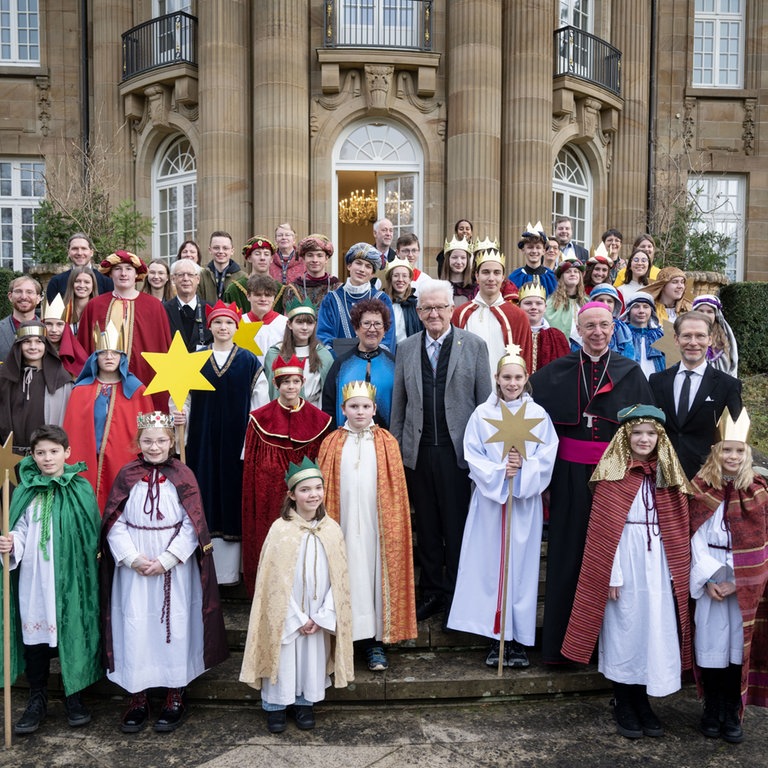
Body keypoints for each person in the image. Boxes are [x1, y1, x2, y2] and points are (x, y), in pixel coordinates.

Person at [529, 302, 653, 664]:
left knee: (611, 556)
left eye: (603, 325)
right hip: (568, 474)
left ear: (614, 329)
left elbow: (646, 432)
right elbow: (536, 425)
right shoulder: (554, 373)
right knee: (567, 554)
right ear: (578, 331)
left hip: (616, 475)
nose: (597, 332)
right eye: (589, 326)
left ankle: (609, 648)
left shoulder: (631, 372)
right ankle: (562, 649)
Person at [562, 405, 692, 739]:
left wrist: (677, 568)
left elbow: (678, 526)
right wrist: (612, 573)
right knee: (625, 629)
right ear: (625, 437)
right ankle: (623, 698)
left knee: (654, 629)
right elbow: (605, 529)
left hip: (659, 565)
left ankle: (644, 701)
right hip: (624, 563)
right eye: (637, 433)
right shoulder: (612, 476)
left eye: (650, 433)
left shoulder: (668, 475)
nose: (644, 439)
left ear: (659, 438)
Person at [100, 412, 228, 733]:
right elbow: (114, 523)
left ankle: (174, 693)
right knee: (136, 625)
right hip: (135, 569)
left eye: (160, 441)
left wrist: (168, 559)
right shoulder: (127, 475)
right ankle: (138, 695)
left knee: (174, 625)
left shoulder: (183, 475)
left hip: (175, 569)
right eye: (147, 441)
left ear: (172, 442)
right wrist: (132, 558)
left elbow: (192, 524)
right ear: (138, 443)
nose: (154, 447)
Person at [447, 345, 558, 667]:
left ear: (526, 379)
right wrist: (499, 472)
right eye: (506, 377)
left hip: (523, 502)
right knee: (490, 567)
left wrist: (524, 468)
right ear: (496, 378)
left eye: (518, 377)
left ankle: (518, 641)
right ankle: (495, 637)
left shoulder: (538, 416)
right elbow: (472, 454)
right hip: (490, 503)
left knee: (520, 569)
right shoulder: (482, 415)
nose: (512, 383)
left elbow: (548, 454)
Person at [391, 280, 492, 623]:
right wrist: (396, 455)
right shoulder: (405, 349)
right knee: (429, 527)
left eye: (440, 307)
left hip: (458, 454)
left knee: (457, 525)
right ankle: (432, 591)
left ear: (452, 309)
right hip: (418, 452)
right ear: (418, 312)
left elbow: (484, 405)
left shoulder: (474, 346)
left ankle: (457, 594)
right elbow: (399, 407)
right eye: (427, 308)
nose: (434, 314)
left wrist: (485, 455)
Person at [0, 425, 102, 735]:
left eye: (54, 452)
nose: (47, 458)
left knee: (72, 632)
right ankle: (37, 698)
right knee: (36, 638)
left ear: (67, 453)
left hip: (71, 579)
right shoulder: (26, 491)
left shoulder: (80, 488)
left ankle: (75, 695)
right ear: (32, 455)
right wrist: (11, 543)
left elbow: (91, 533)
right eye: (41, 453)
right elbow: (20, 529)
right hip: (35, 579)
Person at [239, 458, 354, 733]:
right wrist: (297, 617)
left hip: (318, 614)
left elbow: (339, 581)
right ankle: (276, 706)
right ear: (291, 494)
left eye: (317, 488)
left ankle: (304, 703)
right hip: (288, 615)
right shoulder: (280, 530)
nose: (313, 494)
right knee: (285, 655)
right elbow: (272, 583)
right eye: (304, 490)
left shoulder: (332, 529)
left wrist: (322, 615)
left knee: (311, 658)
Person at [319, 380, 417, 671]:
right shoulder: (332, 443)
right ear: (343, 409)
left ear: (374, 408)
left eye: (365, 406)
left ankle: (375, 642)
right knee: (347, 574)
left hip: (377, 527)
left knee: (374, 579)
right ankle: (343, 638)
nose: (360, 412)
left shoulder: (387, 442)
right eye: (353, 406)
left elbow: (397, 491)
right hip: (343, 524)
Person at [689, 408, 768, 744]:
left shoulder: (759, 490)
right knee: (710, 643)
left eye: (738, 450)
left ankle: (733, 709)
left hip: (743, 578)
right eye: (726, 449)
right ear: (715, 451)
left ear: (747, 453)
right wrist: (707, 579)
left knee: (738, 645)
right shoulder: (699, 486)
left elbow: (763, 540)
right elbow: (689, 534)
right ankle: (712, 707)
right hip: (708, 572)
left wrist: (738, 581)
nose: (732, 456)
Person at [181, 301, 261, 585]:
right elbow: (183, 399)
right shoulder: (196, 358)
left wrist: (249, 444)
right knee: (205, 495)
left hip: (235, 443)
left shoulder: (249, 361)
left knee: (232, 497)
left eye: (228, 323)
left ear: (236, 327)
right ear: (210, 327)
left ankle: (230, 573)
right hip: (202, 441)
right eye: (218, 323)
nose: (223, 327)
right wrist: (182, 421)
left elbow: (258, 405)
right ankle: (204, 566)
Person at [241, 355, 332, 594]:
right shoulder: (259, 419)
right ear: (276, 385)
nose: (291, 387)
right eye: (285, 382)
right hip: (267, 492)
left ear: (302, 383)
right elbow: (250, 463)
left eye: (295, 381)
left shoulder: (319, 420)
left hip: (306, 497)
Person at [63, 322, 154, 511]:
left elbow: (147, 431)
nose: (109, 357)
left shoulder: (137, 390)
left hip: (122, 460)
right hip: (87, 460)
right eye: (103, 353)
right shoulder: (80, 391)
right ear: (95, 358)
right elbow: (72, 431)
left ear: (122, 357)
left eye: (115, 353)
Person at [649, 311, 743, 480]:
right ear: (677, 339)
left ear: (710, 339)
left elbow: (735, 437)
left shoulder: (728, 385)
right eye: (687, 336)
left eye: (700, 336)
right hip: (662, 473)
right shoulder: (657, 381)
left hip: (705, 477)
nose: (693, 343)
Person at [76, 251, 172, 399]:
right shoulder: (95, 305)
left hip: (146, 379)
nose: (123, 273)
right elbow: (83, 347)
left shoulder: (153, 306)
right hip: (103, 383)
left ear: (136, 274)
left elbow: (163, 347)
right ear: (110, 274)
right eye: (118, 269)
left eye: (128, 269)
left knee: (144, 418)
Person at [452, 246, 532, 388]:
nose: (491, 278)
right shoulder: (460, 314)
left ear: (503, 277)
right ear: (476, 276)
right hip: (468, 391)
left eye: (496, 273)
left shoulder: (518, 316)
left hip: (506, 392)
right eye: (485, 272)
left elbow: (525, 358)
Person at [322, 298, 397, 429]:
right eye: (366, 323)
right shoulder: (341, 365)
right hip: (346, 443)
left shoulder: (394, 365)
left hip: (386, 443)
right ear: (356, 328)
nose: (372, 329)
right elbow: (329, 407)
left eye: (378, 324)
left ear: (385, 330)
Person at [0, 321, 73, 454]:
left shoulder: (61, 380)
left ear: (46, 345)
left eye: (39, 341)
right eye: (27, 341)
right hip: (8, 456)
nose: (33, 347)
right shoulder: (5, 378)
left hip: (46, 458)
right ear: (18, 345)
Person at [316, 242, 396, 355]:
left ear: (373, 273)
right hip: (339, 367)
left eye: (368, 266)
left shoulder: (382, 300)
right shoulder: (331, 300)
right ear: (349, 266)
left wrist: (370, 362)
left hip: (374, 367)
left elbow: (388, 338)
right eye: (358, 263)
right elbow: (324, 337)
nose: (362, 269)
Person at [263, 298, 334, 408]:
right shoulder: (275, 354)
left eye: (309, 323)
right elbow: (270, 393)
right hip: (281, 412)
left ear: (315, 325)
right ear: (289, 324)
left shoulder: (323, 355)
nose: (305, 327)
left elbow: (328, 394)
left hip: (314, 414)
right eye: (299, 322)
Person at [517, 279, 569, 373]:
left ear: (545, 307)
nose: (534, 307)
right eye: (528, 303)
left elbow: (564, 370)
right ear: (519, 306)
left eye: (539, 303)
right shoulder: (513, 334)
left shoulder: (557, 336)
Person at [278, 234, 339, 311]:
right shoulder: (292, 290)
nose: (315, 260)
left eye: (319, 255)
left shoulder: (337, 288)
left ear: (326, 259)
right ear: (303, 258)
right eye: (310, 255)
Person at [45, 233, 113, 303]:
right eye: (75, 249)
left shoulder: (107, 282)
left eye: (84, 248)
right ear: (68, 252)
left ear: (91, 252)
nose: (79, 253)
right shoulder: (56, 282)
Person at [164, 259, 213, 352]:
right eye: (181, 275)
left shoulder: (210, 310)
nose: (186, 279)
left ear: (197, 279)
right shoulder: (163, 310)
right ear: (173, 279)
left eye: (190, 275)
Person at [241, 274, 288, 365]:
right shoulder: (238, 322)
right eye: (258, 295)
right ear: (248, 296)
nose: (263, 299)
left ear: (274, 297)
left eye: (268, 295)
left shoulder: (284, 324)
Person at [223, 235, 276, 313]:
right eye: (257, 254)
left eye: (266, 254)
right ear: (249, 258)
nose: (262, 258)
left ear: (271, 259)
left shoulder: (280, 289)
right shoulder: (234, 290)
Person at [581, 283, 634, 359]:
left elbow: (629, 356)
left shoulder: (622, 329)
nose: (605, 304)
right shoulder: (585, 324)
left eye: (609, 301)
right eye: (601, 300)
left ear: (615, 305)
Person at [41, 293, 87, 379]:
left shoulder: (78, 354)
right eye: (49, 324)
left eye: (59, 324)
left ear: (66, 327)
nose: (54, 330)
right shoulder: (34, 351)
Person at [692, 294, 739, 377]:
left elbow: (732, 362)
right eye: (701, 311)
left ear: (716, 315)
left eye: (710, 312)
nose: (705, 315)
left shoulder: (724, 336)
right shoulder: (687, 335)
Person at [621, 292, 666, 378]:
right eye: (636, 306)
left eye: (646, 307)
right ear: (629, 311)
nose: (641, 311)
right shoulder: (621, 334)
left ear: (651, 311)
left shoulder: (660, 335)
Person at [507, 222, 558, 297]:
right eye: (530, 247)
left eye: (538, 247)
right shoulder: (514, 277)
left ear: (544, 251)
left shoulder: (552, 277)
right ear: (523, 250)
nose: (534, 251)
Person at [1, 275, 43, 362]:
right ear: (10, 296)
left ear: (38, 298)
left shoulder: (47, 330)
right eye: (18, 291)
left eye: (29, 292)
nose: (24, 296)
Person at [381, 256, 422, 345]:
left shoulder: (416, 304)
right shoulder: (381, 304)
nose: (400, 280)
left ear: (410, 279)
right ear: (390, 279)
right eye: (396, 275)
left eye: (404, 276)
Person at [544, 258, 586, 340]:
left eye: (576, 271)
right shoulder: (551, 304)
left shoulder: (586, 302)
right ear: (561, 277)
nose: (572, 274)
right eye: (568, 272)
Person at [198, 231, 243, 303]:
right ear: (210, 250)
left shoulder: (243, 277)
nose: (221, 251)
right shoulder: (201, 276)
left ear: (232, 251)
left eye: (225, 248)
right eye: (216, 248)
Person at [441, 234, 475, 307]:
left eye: (463, 258)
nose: (459, 262)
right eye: (454, 257)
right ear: (448, 260)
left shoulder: (475, 288)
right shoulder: (438, 287)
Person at [62, 266, 97, 335]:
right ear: (71, 284)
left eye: (87, 282)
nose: (82, 285)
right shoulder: (61, 309)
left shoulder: (99, 310)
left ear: (93, 286)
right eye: (77, 281)